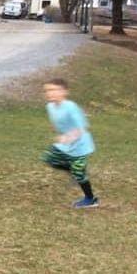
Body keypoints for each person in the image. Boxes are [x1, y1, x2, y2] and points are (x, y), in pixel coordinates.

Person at [40, 77, 99, 208]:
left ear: (65, 92)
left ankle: (90, 199)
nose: (50, 93)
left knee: (79, 174)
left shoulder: (71, 107)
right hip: (66, 143)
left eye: (54, 90)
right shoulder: (50, 106)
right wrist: (60, 134)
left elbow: (82, 127)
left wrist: (67, 137)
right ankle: (73, 171)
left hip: (80, 145)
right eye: (47, 90)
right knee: (50, 159)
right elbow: (57, 122)